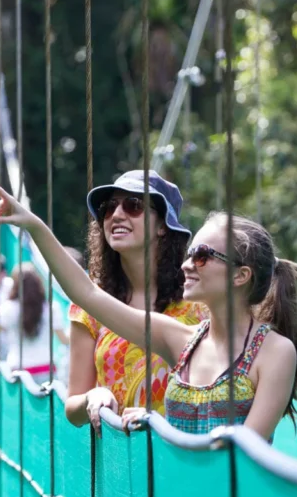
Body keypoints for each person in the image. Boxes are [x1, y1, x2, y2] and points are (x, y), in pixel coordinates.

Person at [0, 177, 297, 441]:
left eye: (203, 256)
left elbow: (241, 458)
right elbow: (87, 295)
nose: (187, 265)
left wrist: (159, 429)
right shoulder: (180, 338)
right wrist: (34, 226)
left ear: (240, 275)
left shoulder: (275, 352)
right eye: (190, 254)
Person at [64, 170, 207, 429]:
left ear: (163, 225)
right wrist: (91, 396)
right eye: (109, 208)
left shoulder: (199, 301)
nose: (117, 214)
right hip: (120, 461)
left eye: (134, 206)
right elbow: (72, 407)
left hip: (181, 457)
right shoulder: (89, 307)